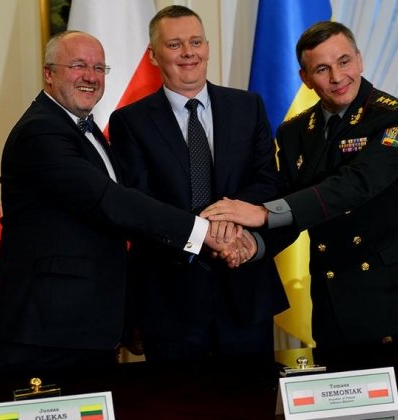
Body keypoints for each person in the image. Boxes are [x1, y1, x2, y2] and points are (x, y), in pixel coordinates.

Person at [0, 30, 242, 401]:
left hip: (86, 325)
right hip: (45, 330)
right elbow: (111, 201)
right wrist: (204, 232)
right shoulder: (40, 132)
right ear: (48, 73)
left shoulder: (83, 130)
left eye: (99, 68)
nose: (90, 76)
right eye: (78, 66)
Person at [202, 21, 398, 367]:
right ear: (305, 78)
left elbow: (356, 184)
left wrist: (263, 213)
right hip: (337, 305)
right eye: (322, 69)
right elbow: (293, 205)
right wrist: (254, 244)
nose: (337, 77)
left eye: (344, 62)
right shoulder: (295, 131)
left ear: (359, 60)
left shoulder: (397, 117)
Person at [108, 5, 288, 362]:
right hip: (170, 298)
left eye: (195, 42)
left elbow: (268, 181)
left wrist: (226, 222)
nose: (188, 53)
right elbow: (139, 204)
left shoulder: (248, 106)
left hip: (244, 288)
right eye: (174, 44)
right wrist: (205, 236)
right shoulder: (130, 121)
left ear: (207, 47)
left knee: (252, 394)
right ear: (153, 55)